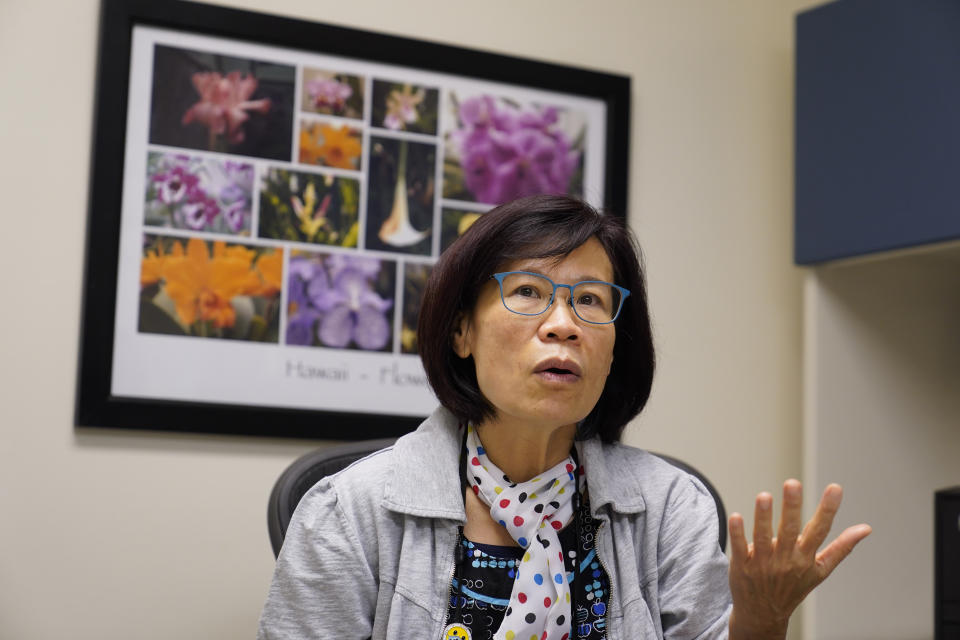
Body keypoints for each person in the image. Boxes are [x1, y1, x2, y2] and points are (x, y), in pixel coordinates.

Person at [257, 194, 871, 640]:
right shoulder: (348, 512)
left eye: (589, 301)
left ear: (614, 348)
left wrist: (761, 623)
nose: (563, 324)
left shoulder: (669, 508)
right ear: (462, 331)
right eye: (527, 292)